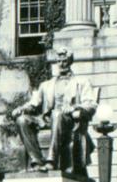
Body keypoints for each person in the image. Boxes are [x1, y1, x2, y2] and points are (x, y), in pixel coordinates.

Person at [13, 47, 100, 175]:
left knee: (57, 113)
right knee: (22, 120)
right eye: (59, 61)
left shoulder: (81, 82)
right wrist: (21, 108)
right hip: (47, 121)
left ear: (70, 61)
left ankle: (52, 160)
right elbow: (33, 104)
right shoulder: (46, 85)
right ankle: (37, 161)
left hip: (69, 122)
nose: (61, 64)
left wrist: (75, 107)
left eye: (65, 60)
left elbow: (91, 104)